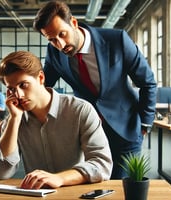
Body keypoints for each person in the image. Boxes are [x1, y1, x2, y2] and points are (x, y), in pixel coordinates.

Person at [33, 1, 157, 179]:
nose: (59, 44)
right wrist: (16, 114)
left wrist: (144, 123)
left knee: (121, 188)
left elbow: (148, 82)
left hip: (126, 128)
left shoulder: (117, 40)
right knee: (93, 186)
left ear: (73, 23)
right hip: (88, 133)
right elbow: (42, 88)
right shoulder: (54, 53)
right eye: (52, 39)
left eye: (62, 34)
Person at [0, 51, 112, 189]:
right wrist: (15, 119)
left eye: (23, 85)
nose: (18, 95)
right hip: (37, 196)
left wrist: (59, 178)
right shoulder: (13, 119)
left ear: (41, 78)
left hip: (76, 194)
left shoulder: (80, 110)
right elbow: (1, 172)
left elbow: (102, 164)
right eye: (11, 89)